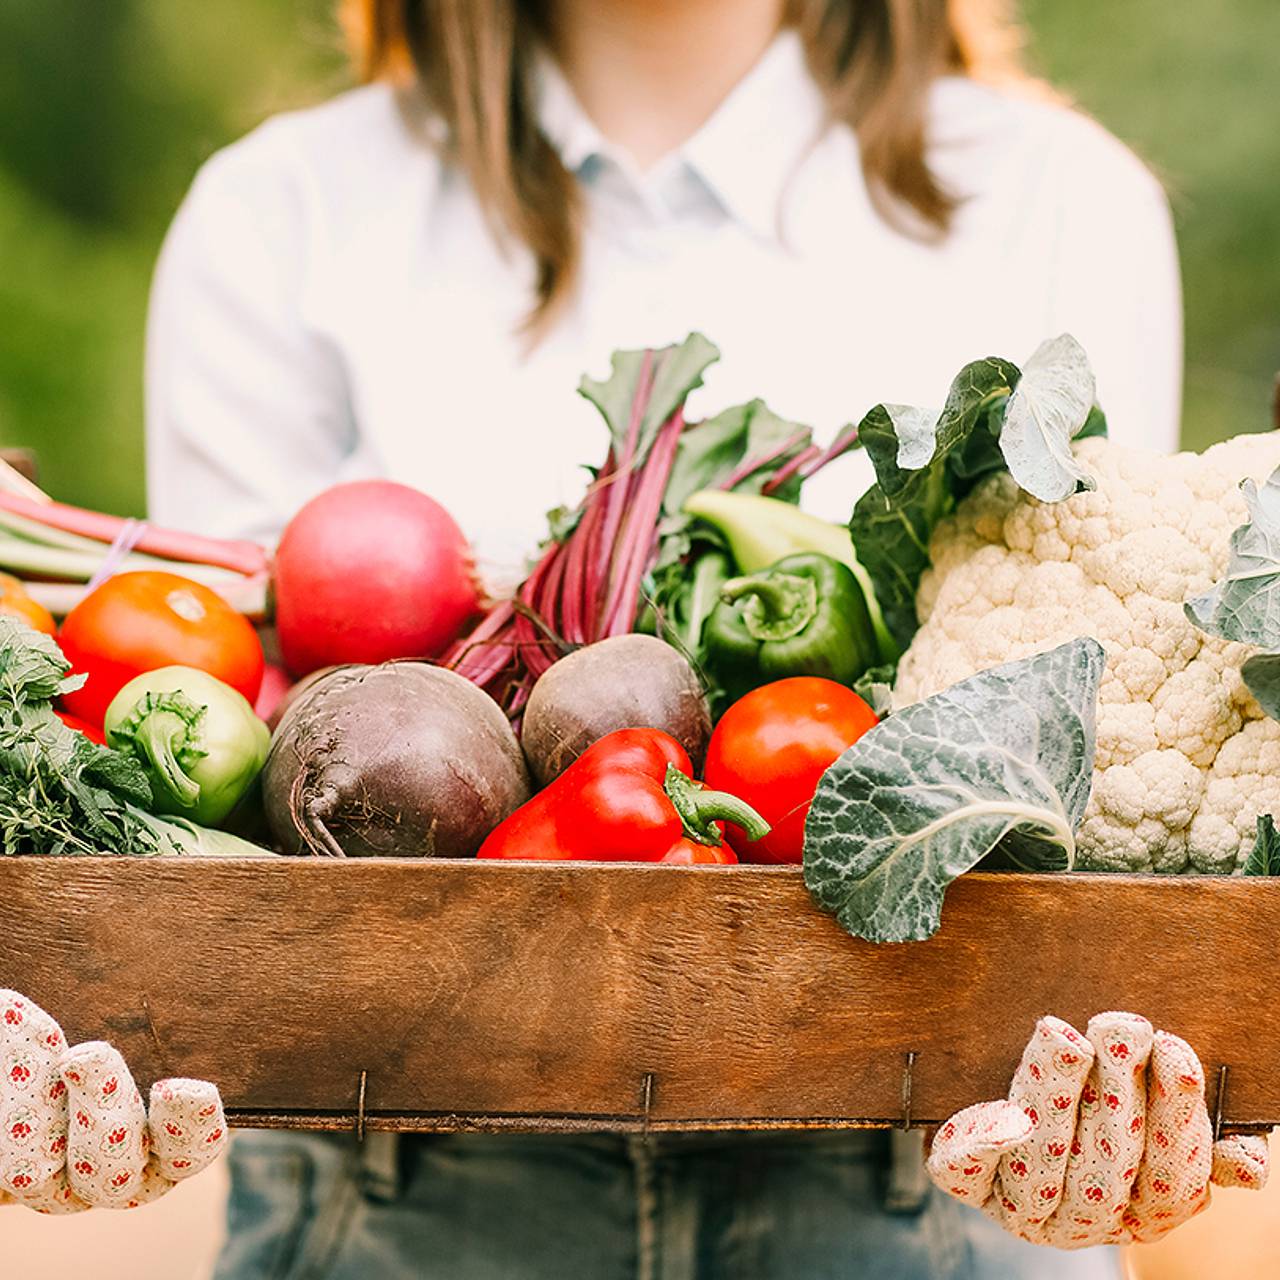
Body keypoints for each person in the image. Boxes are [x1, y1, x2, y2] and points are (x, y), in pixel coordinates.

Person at [145, 2, 1181, 1276]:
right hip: (390, 1175)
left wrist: (1120, 1078)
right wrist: (112, 1022)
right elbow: (211, 752)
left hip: (929, 1172)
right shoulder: (277, 213)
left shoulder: (1064, 199)